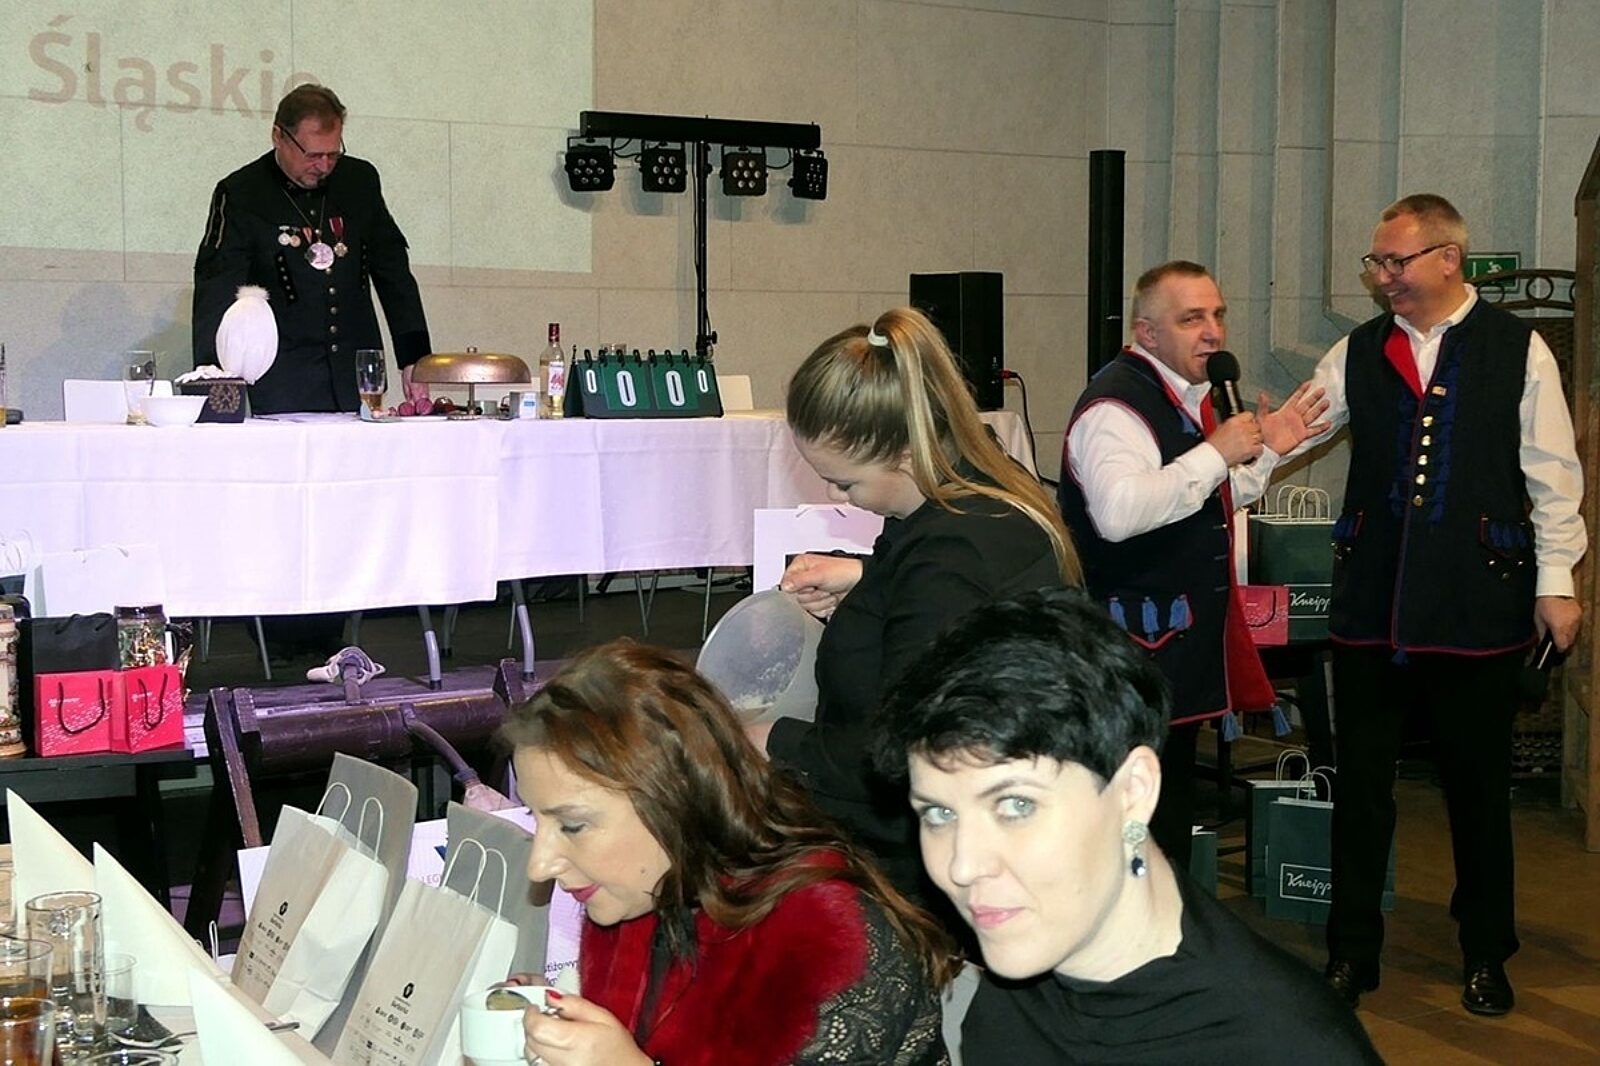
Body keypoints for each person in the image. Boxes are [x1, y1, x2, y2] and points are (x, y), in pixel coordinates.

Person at [1288, 194, 1586, 1015]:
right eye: (1376, 264)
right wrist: (1232, 460)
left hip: (1475, 601)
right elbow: (1293, 433)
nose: (1383, 277)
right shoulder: (1357, 351)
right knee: (1362, 789)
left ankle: (1486, 951)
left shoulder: (1517, 348)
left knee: (1477, 792)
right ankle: (1352, 952)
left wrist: (1556, 583)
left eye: (1398, 262)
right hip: (1372, 603)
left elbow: (1553, 473)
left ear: (1449, 258)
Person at [874, 588, 1383, 1064]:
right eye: (938, 814)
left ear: (1133, 791)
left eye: (1016, 805)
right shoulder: (1015, 991)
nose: (963, 865)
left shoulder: (1283, 1046)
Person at [502, 639, 956, 1066]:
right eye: (536, 820)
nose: (540, 866)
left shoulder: (827, 942)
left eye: (572, 825)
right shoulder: (645, 893)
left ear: (676, 799)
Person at [756, 306, 1078, 907]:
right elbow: (955, 607)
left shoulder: (950, 553)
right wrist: (867, 580)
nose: (834, 493)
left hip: (937, 873)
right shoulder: (979, 490)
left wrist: (771, 740)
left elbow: (900, 752)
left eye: (845, 483)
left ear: (904, 453)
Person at [1056, 260, 1329, 866]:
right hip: (1128, 654)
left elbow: (1202, 496)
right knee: (1135, 822)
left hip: (1170, 652)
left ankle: (1166, 913)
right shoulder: (1115, 407)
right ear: (1147, 333)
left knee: (1168, 815)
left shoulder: (1185, 398)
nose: (1213, 332)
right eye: (1191, 319)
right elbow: (1120, 513)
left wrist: (1266, 453)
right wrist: (1215, 453)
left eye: (1218, 315)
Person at [193, 83, 432, 415]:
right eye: (313, 155)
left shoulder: (359, 181)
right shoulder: (242, 193)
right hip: (282, 379)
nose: (323, 166)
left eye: (333, 154)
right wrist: (211, 380)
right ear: (278, 136)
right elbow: (217, 291)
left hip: (356, 374)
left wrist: (415, 358)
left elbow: (393, 271)